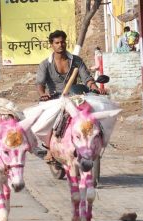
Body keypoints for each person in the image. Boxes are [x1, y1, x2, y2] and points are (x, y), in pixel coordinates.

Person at [36, 30, 104, 162]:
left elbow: (87, 79)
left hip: (75, 96)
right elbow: (40, 83)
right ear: (52, 45)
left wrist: (95, 88)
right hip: (55, 99)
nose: (60, 45)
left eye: (62, 42)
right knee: (46, 122)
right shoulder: (45, 64)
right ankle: (50, 148)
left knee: (95, 115)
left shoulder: (76, 60)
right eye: (57, 43)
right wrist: (43, 94)